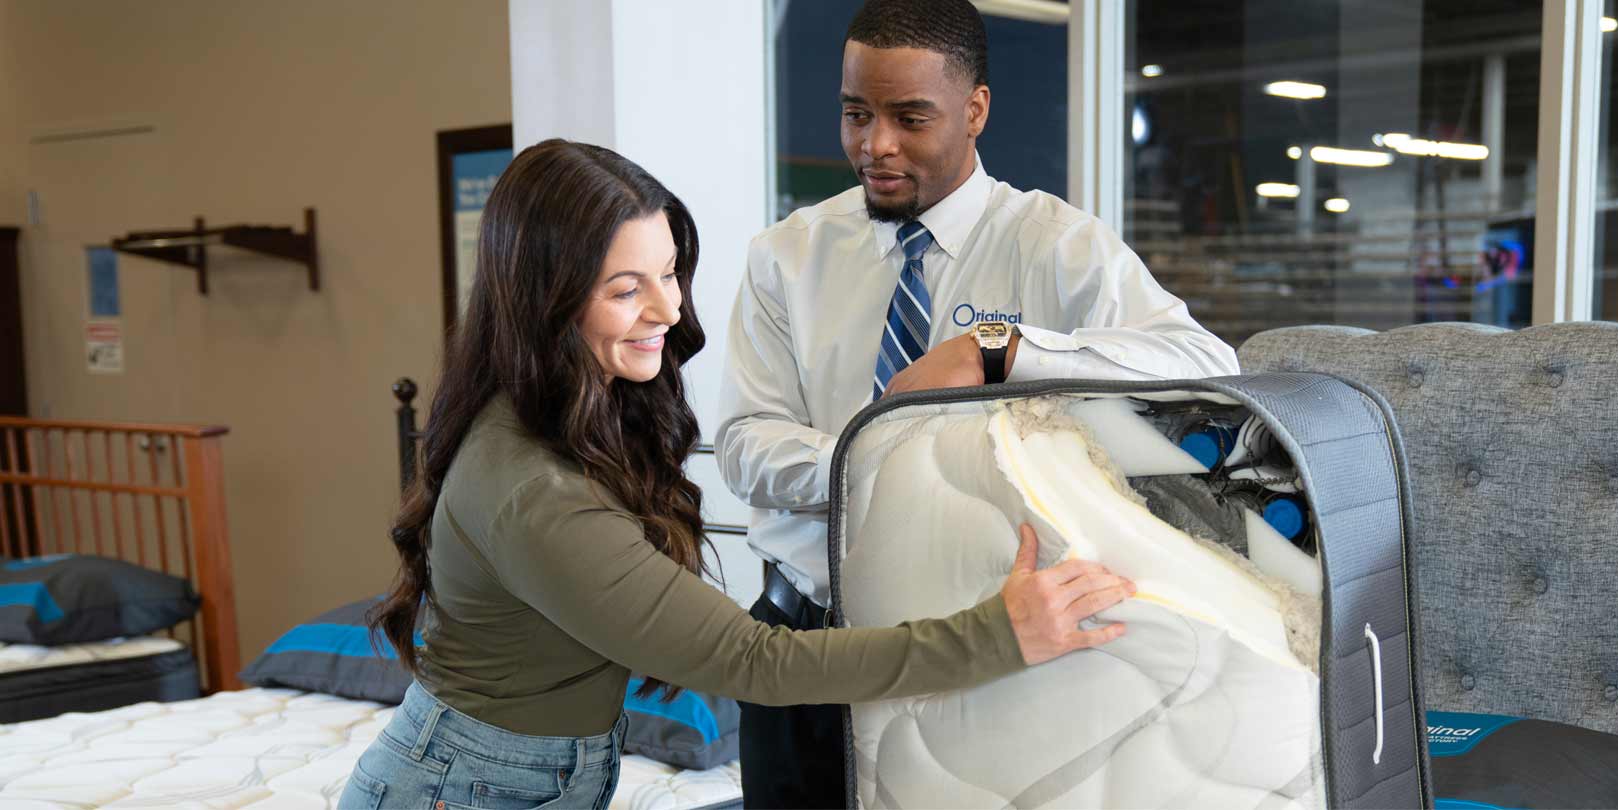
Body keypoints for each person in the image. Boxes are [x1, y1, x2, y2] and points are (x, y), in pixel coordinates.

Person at [339, 139, 1134, 810]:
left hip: (520, 776)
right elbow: (754, 660)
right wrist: (997, 634)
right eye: (627, 288)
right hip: (460, 788)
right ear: (546, 301)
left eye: (669, 272)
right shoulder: (531, 489)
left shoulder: (576, 415)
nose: (668, 309)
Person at [716, 1, 1239, 806]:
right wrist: (891, 462)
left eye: (908, 117)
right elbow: (748, 443)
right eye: (857, 114)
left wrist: (1000, 350)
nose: (874, 145)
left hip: (985, 656)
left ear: (976, 109)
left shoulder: (1055, 246)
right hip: (805, 653)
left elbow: (1206, 363)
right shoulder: (786, 257)